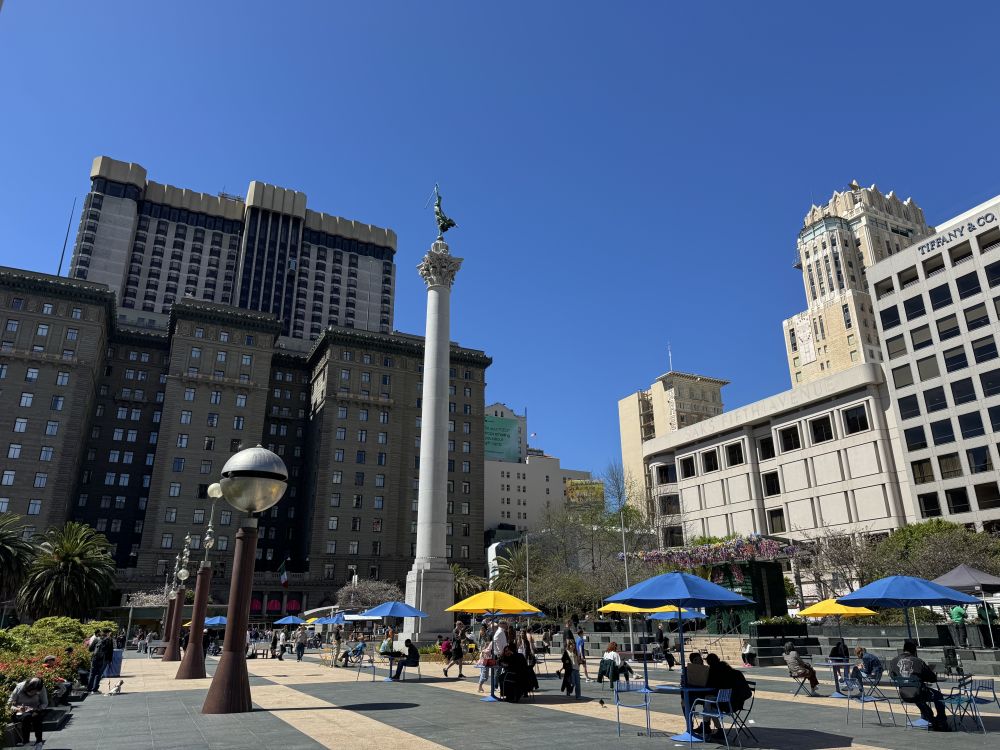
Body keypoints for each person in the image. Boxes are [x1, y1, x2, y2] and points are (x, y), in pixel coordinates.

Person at [889, 640, 949, 731]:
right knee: (938, 695)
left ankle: (928, 716)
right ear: (914, 651)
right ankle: (941, 720)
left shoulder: (894, 661)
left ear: (904, 650)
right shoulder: (918, 661)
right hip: (919, 693)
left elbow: (892, 676)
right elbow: (932, 678)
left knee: (916, 694)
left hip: (903, 694)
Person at [8, 676, 48, 750]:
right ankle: (26, 741)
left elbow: (45, 703)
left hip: (35, 709)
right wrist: (18, 709)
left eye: (35, 692)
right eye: (31, 691)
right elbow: (9, 704)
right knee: (27, 717)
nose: (32, 694)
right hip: (20, 711)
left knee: (37, 717)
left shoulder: (41, 688)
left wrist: (37, 709)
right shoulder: (19, 687)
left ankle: (39, 741)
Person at [476, 624, 492, 693]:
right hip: (484, 655)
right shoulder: (484, 638)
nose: (482, 631)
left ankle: (480, 687)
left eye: (483, 630)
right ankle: (479, 686)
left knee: (483, 672)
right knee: (484, 672)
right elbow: (485, 647)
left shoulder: (483, 637)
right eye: (482, 630)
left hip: (484, 655)